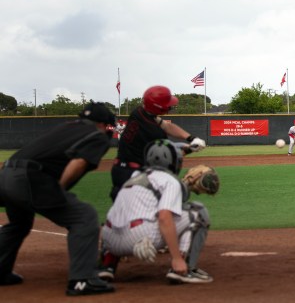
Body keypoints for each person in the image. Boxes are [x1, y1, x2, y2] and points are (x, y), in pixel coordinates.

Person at [0, 102, 117, 296]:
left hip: (5, 174)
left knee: (19, 223)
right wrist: (59, 190)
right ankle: (82, 280)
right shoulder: (97, 136)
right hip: (29, 178)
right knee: (84, 217)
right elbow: (78, 162)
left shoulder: (66, 127)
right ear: (103, 124)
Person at [101, 85, 207, 280]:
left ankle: (108, 262)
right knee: (163, 207)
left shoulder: (140, 113)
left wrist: (190, 138)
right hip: (133, 170)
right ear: (159, 106)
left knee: (120, 209)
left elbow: (167, 125)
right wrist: (189, 148)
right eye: (167, 105)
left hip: (122, 169)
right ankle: (161, 247)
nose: (170, 108)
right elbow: (166, 153)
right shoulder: (151, 132)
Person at [101, 139, 213, 284]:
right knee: (197, 212)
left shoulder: (134, 176)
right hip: (141, 238)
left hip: (110, 240)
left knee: (116, 218)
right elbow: (164, 217)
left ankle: (107, 265)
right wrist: (176, 259)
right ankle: (184, 267)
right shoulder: (169, 180)